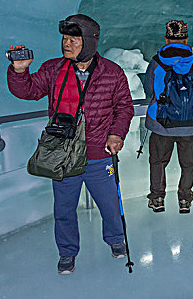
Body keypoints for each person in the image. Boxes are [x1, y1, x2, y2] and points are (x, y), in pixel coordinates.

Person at [7, 14, 134, 274]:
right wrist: (20, 71)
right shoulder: (54, 69)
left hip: (99, 154)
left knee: (110, 205)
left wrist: (116, 134)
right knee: (64, 209)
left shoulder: (112, 72)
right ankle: (67, 253)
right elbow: (28, 91)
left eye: (74, 40)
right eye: (65, 39)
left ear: (88, 42)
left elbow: (124, 107)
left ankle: (116, 240)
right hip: (63, 155)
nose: (67, 44)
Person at [143, 20, 193, 214]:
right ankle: (185, 199)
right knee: (188, 164)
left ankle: (158, 198)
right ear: (186, 39)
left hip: (161, 124)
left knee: (158, 162)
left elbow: (148, 92)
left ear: (166, 39)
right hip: (190, 125)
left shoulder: (156, 62)